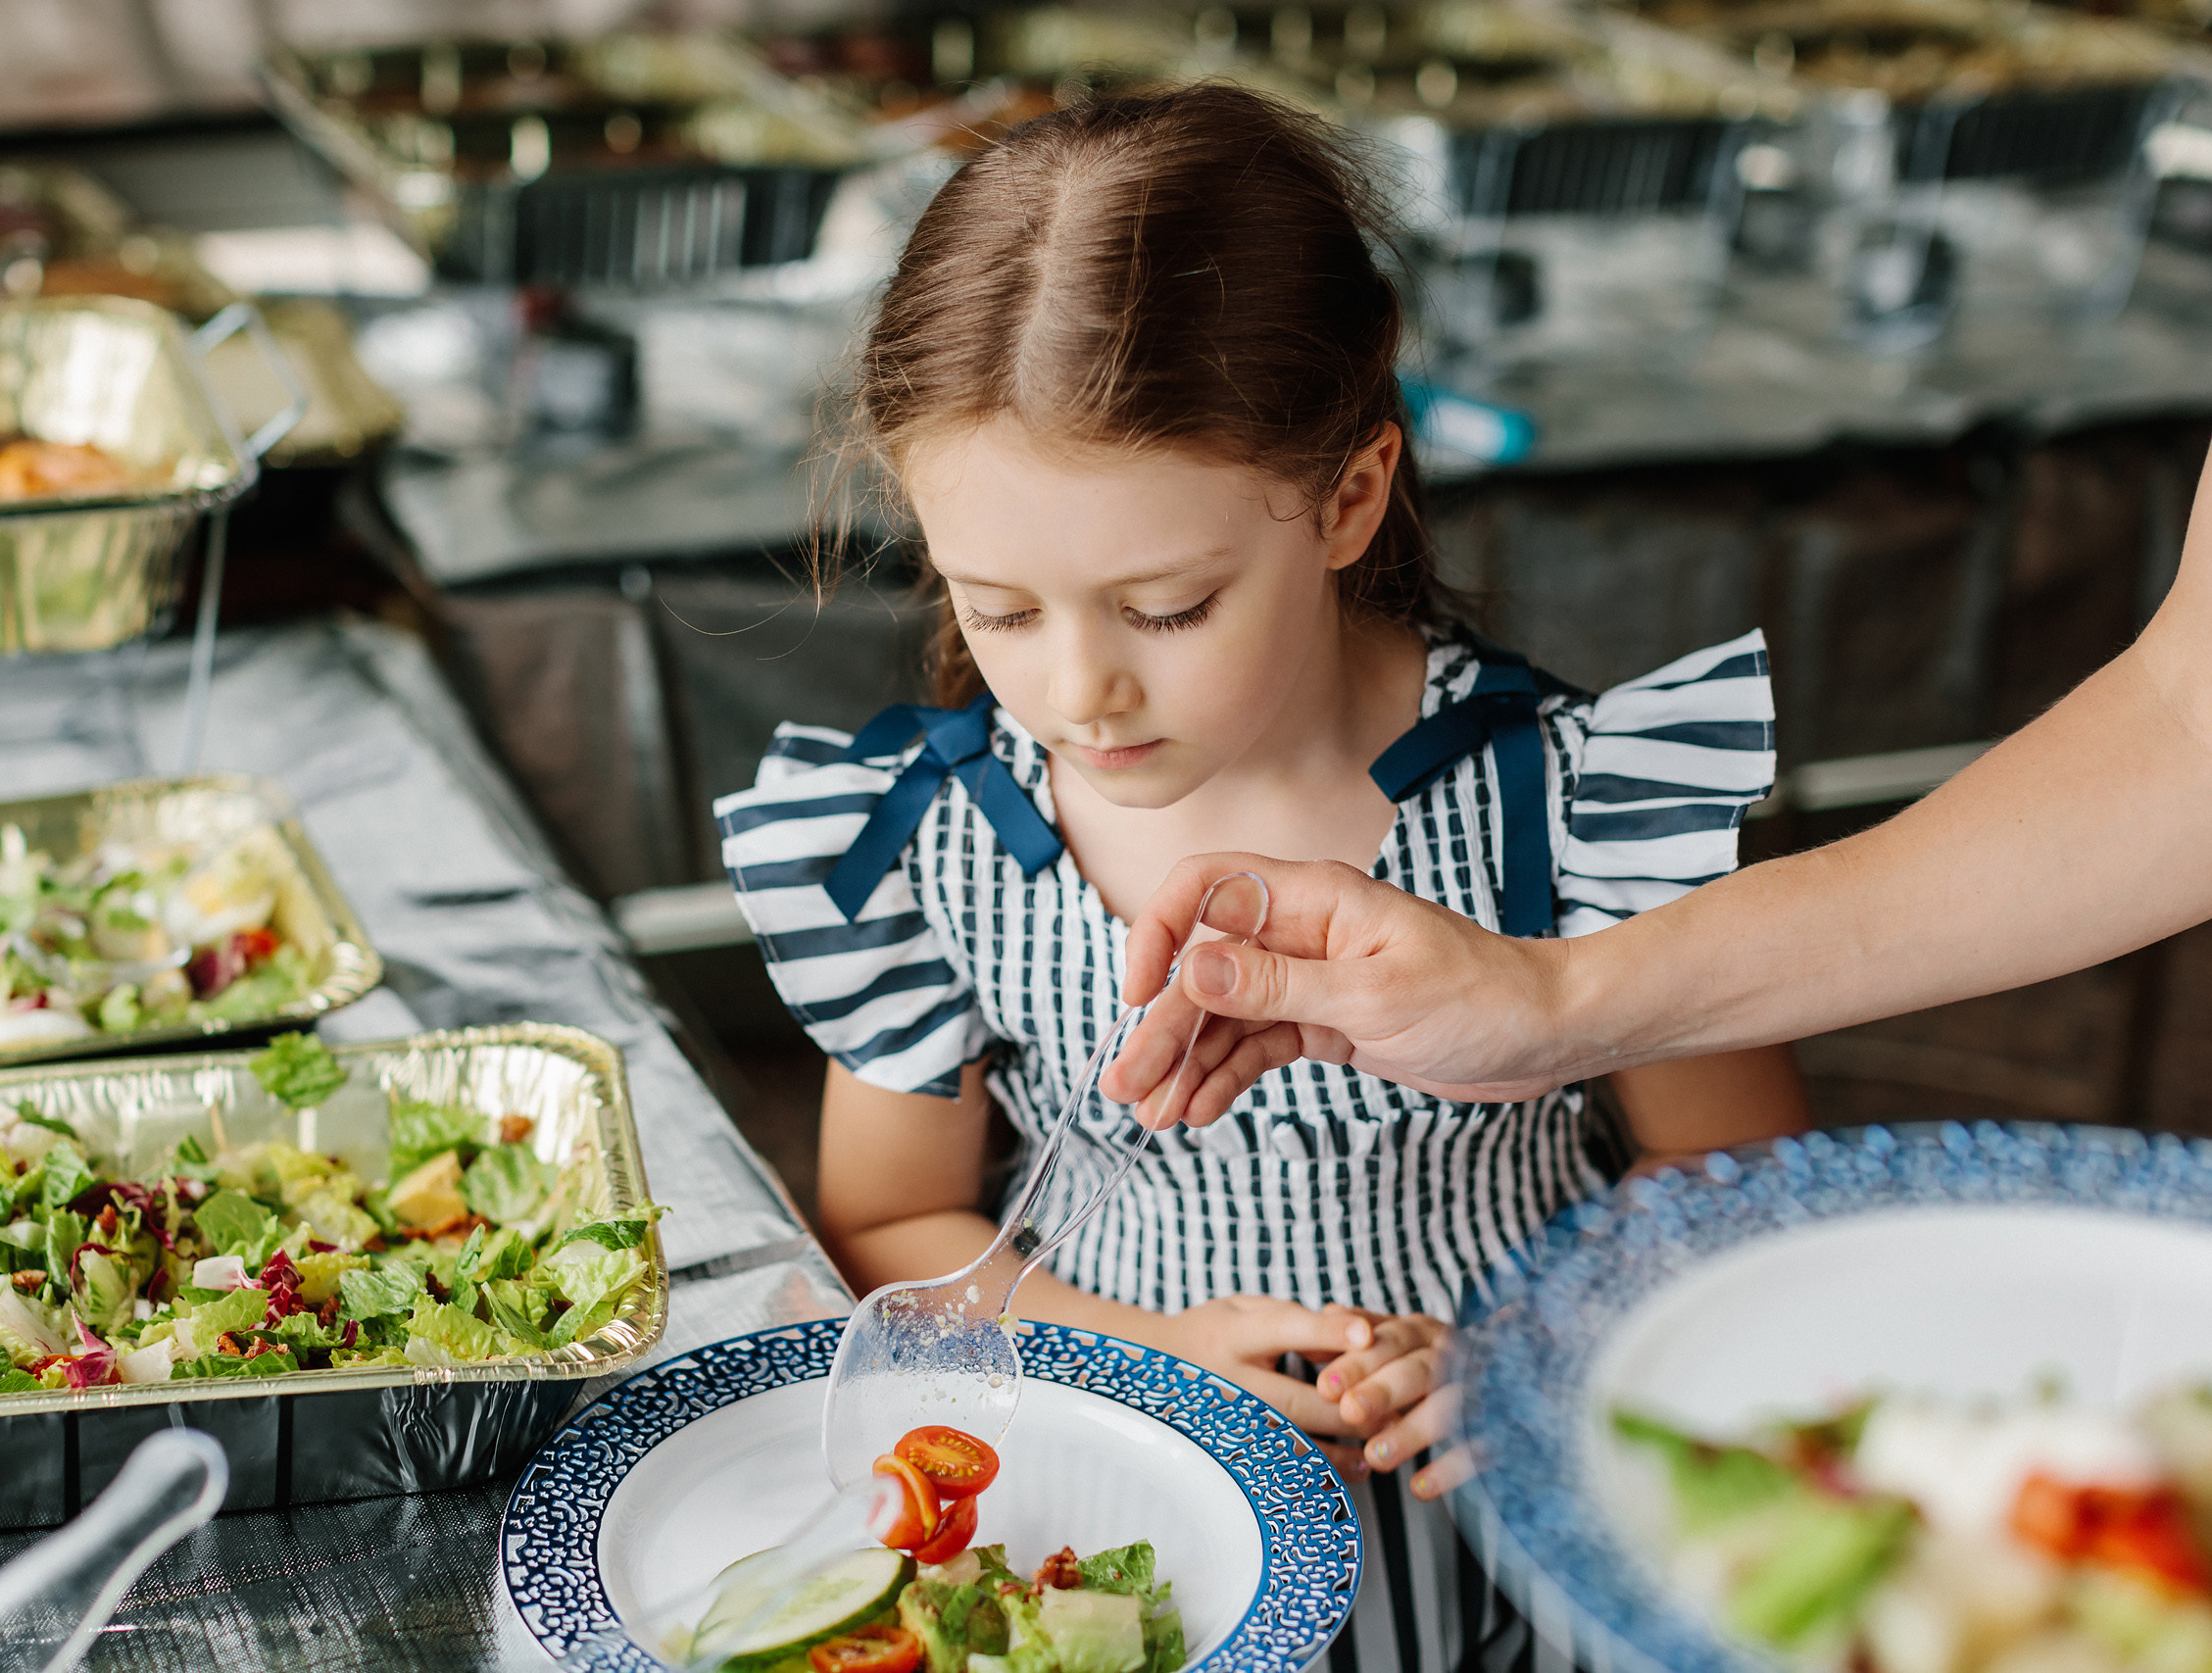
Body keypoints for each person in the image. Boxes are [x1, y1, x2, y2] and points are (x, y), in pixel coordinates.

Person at [715, 85, 1811, 1673]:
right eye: (1001, 609)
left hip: (1538, 1506)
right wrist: (1157, 1356)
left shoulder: (1568, 807)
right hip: (1137, 1525)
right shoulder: (934, 842)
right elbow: (892, 1215)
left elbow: (1746, 1199)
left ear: (1349, 498)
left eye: (1165, 605)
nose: (1081, 692)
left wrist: (1527, 1354)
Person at [1099, 443, 2212, 1127]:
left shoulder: (1563, 781)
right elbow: (2184, 721)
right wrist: (1557, 1005)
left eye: (1167, 609)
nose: (1082, 686)